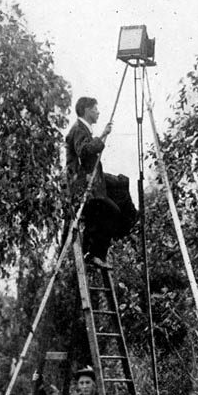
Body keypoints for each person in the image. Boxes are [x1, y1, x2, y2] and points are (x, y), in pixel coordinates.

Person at [66, 97, 137, 268]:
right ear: (87, 110)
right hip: (83, 185)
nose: (98, 112)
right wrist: (103, 134)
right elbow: (84, 152)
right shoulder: (78, 129)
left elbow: (89, 152)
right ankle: (94, 253)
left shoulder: (84, 129)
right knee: (111, 211)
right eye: (95, 109)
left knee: (120, 183)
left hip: (91, 180)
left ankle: (130, 218)